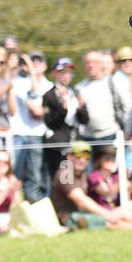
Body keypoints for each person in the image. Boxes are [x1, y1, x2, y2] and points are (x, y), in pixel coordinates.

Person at [50, 142, 132, 230]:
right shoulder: (65, 174)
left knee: (122, 212)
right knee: (116, 223)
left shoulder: (82, 173)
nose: (83, 160)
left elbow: (111, 193)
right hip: (69, 218)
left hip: (83, 214)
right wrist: (107, 214)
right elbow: (81, 200)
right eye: (78, 155)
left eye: (86, 156)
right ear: (69, 157)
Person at [10, 51, 51, 202]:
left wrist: (42, 110)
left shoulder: (49, 86)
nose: (34, 64)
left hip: (37, 135)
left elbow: (38, 110)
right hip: (18, 134)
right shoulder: (18, 81)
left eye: (38, 60)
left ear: (45, 65)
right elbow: (34, 108)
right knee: (15, 175)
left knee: (35, 176)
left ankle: (35, 208)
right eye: (31, 61)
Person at [42, 58, 83, 194]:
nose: (66, 76)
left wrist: (81, 109)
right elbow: (51, 122)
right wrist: (63, 108)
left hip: (74, 142)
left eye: (68, 73)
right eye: (62, 72)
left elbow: (84, 119)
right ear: (55, 74)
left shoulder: (75, 92)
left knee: (73, 179)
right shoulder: (49, 95)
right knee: (58, 178)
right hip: (57, 146)